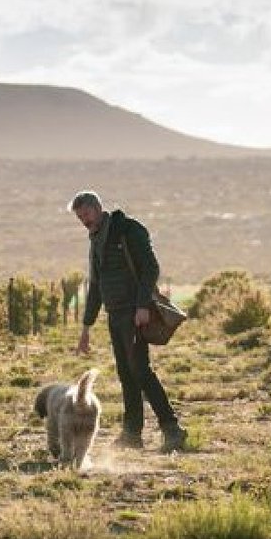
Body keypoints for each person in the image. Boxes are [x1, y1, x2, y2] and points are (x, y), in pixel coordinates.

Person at [70, 190, 187, 452]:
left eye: (86, 214)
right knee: (126, 374)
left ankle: (172, 430)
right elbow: (96, 285)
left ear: (97, 207)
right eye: (80, 217)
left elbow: (150, 268)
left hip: (135, 314)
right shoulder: (96, 239)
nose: (84, 221)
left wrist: (143, 305)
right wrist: (86, 328)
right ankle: (132, 434)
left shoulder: (127, 229)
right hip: (116, 315)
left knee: (141, 372)